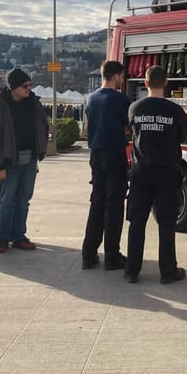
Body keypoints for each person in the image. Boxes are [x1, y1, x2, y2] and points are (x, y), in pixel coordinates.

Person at [124, 65, 187, 284]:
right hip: (167, 172)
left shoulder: (134, 108)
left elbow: (130, 132)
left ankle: (131, 270)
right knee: (167, 222)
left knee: (137, 221)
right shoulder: (175, 110)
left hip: (141, 173)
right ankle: (168, 272)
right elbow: (183, 137)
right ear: (166, 83)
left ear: (145, 83)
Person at [0, 68, 49, 254]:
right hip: (9, 161)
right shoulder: (0, 106)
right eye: (25, 86)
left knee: (24, 200)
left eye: (30, 85)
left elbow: (43, 125)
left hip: (30, 159)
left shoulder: (33, 103)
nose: (29, 89)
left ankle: (19, 236)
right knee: (7, 200)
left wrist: (42, 149)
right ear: (14, 87)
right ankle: (3, 237)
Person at [81, 61, 131, 271]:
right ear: (116, 75)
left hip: (96, 155)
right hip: (114, 154)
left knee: (97, 203)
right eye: (122, 76)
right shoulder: (121, 100)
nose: (123, 80)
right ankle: (111, 256)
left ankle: (88, 254)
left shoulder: (91, 98)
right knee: (114, 206)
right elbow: (128, 128)